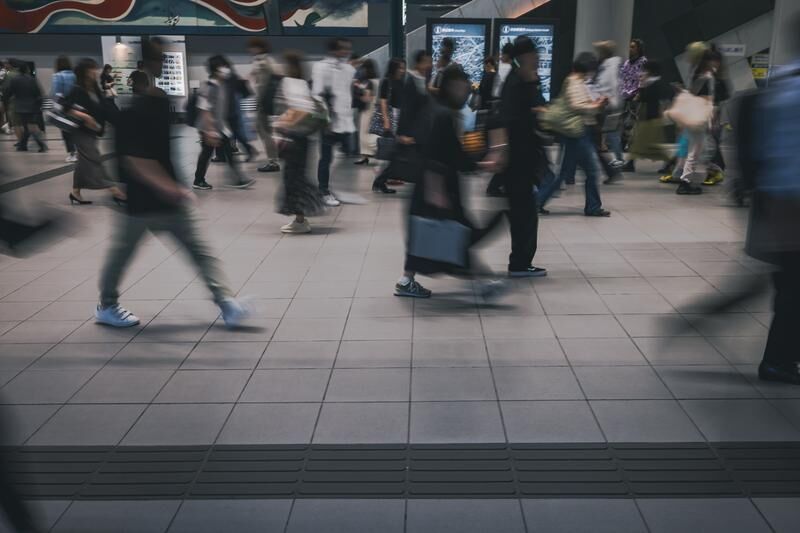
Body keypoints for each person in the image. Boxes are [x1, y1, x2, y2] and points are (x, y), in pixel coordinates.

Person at [95, 37, 250, 330]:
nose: (163, 63)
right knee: (121, 256)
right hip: (140, 202)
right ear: (144, 65)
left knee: (199, 251)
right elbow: (134, 160)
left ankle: (226, 303)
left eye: (164, 58)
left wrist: (175, 185)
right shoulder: (133, 111)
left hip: (168, 198)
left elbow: (162, 152)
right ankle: (107, 305)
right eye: (158, 58)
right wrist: (168, 187)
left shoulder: (161, 102)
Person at [394, 66, 503, 299]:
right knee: (455, 235)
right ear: (452, 86)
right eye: (464, 86)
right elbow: (440, 153)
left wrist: (475, 166)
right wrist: (438, 189)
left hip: (432, 185)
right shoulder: (443, 114)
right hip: (439, 186)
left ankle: (406, 279)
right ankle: (484, 282)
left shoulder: (438, 109)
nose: (466, 91)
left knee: (426, 235)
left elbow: (449, 153)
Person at [496, 36, 548, 277]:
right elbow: (511, 120)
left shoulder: (521, 80)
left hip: (521, 159)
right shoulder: (517, 82)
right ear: (524, 57)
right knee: (523, 212)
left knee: (524, 211)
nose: (538, 58)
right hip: (518, 159)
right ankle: (519, 263)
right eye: (534, 54)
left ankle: (520, 260)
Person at [538, 52, 610, 217]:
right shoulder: (575, 82)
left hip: (575, 132)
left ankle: (537, 201)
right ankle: (592, 207)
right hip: (577, 133)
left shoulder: (574, 80)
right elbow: (577, 106)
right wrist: (598, 105)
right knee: (591, 171)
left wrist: (595, 104)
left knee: (564, 173)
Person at [273, 51, 327, 234]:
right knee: (297, 178)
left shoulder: (289, 83)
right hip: (303, 140)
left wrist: (285, 124)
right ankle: (300, 219)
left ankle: (301, 221)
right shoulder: (302, 82)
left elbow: (302, 109)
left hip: (294, 140)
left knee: (293, 180)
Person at [63, 58, 125, 205]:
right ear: (85, 71)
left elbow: (104, 108)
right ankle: (114, 190)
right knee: (94, 159)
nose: (95, 71)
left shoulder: (95, 88)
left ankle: (75, 192)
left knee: (83, 161)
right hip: (80, 131)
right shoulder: (77, 89)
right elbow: (65, 107)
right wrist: (84, 116)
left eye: (96, 68)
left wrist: (120, 121)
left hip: (93, 130)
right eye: (92, 68)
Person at [193, 55, 255, 191]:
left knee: (228, 150)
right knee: (206, 153)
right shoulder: (208, 87)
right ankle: (198, 180)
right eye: (223, 67)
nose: (227, 69)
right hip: (208, 127)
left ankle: (239, 179)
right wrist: (210, 131)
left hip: (220, 126)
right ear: (215, 70)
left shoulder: (222, 86)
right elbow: (204, 111)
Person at [312, 37, 357, 207]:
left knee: (347, 154)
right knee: (326, 158)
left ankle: (335, 188)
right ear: (333, 50)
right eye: (343, 48)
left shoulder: (348, 69)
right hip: (329, 121)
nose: (346, 51)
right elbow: (317, 94)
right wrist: (327, 119)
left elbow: (347, 93)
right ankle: (323, 191)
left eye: (348, 48)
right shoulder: (321, 67)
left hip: (346, 121)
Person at [674, 46, 717, 195]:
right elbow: (707, 100)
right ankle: (685, 182)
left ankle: (685, 180)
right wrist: (710, 118)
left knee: (694, 151)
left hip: (692, 118)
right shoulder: (708, 76)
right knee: (695, 152)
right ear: (709, 61)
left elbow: (692, 95)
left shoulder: (696, 74)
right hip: (700, 119)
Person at [626, 61, 672, 171]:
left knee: (639, 143)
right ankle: (670, 163)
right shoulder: (653, 83)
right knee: (646, 144)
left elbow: (645, 99)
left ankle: (630, 164)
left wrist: (642, 86)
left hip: (651, 117)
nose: (643, 72)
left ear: (650, 71)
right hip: (650, 117)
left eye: (645, 70)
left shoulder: (654, 84)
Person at [371, 57, 407, 194]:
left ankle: (382, 180)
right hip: (392, 118)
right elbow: (383, 102)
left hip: (399, 116)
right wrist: (386, 121)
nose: (402, 70)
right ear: (393, 68)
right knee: (389, 151)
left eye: (403, 67)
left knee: (394, 151)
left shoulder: (401, 82)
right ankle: (379, 181)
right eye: (400, 68)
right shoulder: (387, 81)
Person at [248, 37, 281, 173]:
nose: (250, 50)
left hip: (264, 102)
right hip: (264, 101)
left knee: (264, 131)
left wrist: (261, 101)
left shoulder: (263, 61)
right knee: (265, 131)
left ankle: (273, 161)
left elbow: (274, 77)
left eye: (252, 47)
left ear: (259, 47)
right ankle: (274, 158)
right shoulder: (263, 60)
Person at [1, 63, 47, 153]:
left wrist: (6, 102)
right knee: (29, 127)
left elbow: (8, 92)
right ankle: (25, 145)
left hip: (19, 107)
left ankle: (36, 144)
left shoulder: (14, 80)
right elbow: (38, 93)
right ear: (27, 70)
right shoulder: (32, 80)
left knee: (28, 127)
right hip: (32, 106)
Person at [592, 41, 624, 170]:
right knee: (611, 133)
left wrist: (609, 100)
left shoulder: (610, 66)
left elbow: (611, 85)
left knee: (611, 133)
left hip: (608, 104)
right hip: (608, 103)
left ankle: (618, 160)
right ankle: (618, 159)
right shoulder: (611, 65)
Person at [619, 39, 647, 171]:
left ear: (639, 49)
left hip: (636, 99)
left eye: (633, 47)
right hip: (626, 98)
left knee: (633, 132)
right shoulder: (627, 63)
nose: (630, 49)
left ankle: (630, 162)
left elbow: (643, 80)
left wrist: (638, 95)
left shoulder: (643, 62)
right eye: (629, 47)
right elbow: (622, 78)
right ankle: (627, 160)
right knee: (625, 130)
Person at [51, 55, 77, 162]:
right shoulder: (75, 75)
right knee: (76, 129)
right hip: (76, 106)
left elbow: (57, 93)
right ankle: (80, 151)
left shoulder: (57, 76)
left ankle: (72, 153)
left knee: (66, 130)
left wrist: (55, 107)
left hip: (64, 106)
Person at [354, 58, 378, 166]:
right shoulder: (378, 80)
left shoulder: (368, 83)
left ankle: (368, 154)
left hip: (368, 110)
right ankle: (365, 156)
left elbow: (367, 98)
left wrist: (358, 96)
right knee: (373, 132)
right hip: (377, 109)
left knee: (364, 134)